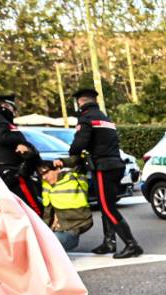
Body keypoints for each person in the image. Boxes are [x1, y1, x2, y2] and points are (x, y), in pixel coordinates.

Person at [57, 88, 142, 259]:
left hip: (103, 167)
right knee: (106, 206)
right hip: (115, 165)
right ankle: (109, 242)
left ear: (80, 102)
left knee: (107, 207)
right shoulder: (104, 117)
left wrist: (73, 153)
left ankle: (132, 245)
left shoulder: (86, 118)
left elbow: (78, 145)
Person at [0, 94, 43, 216]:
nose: (13, 112)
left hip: (4, 168)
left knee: (16, 209)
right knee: (32, 209)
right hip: (11, 169)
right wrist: (20, 142)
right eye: (12, 107)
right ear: (5, 105)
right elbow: (3, 136)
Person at [38, 160, 93, 251]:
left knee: (51, 246)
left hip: (75, 226)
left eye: (46, 173)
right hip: (58, 228)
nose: (44, 177)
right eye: (41, 175)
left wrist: (63, 161)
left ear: (57, 169)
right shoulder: (47, 187)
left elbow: (81, 161)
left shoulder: (74, 178)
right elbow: (47, 214)